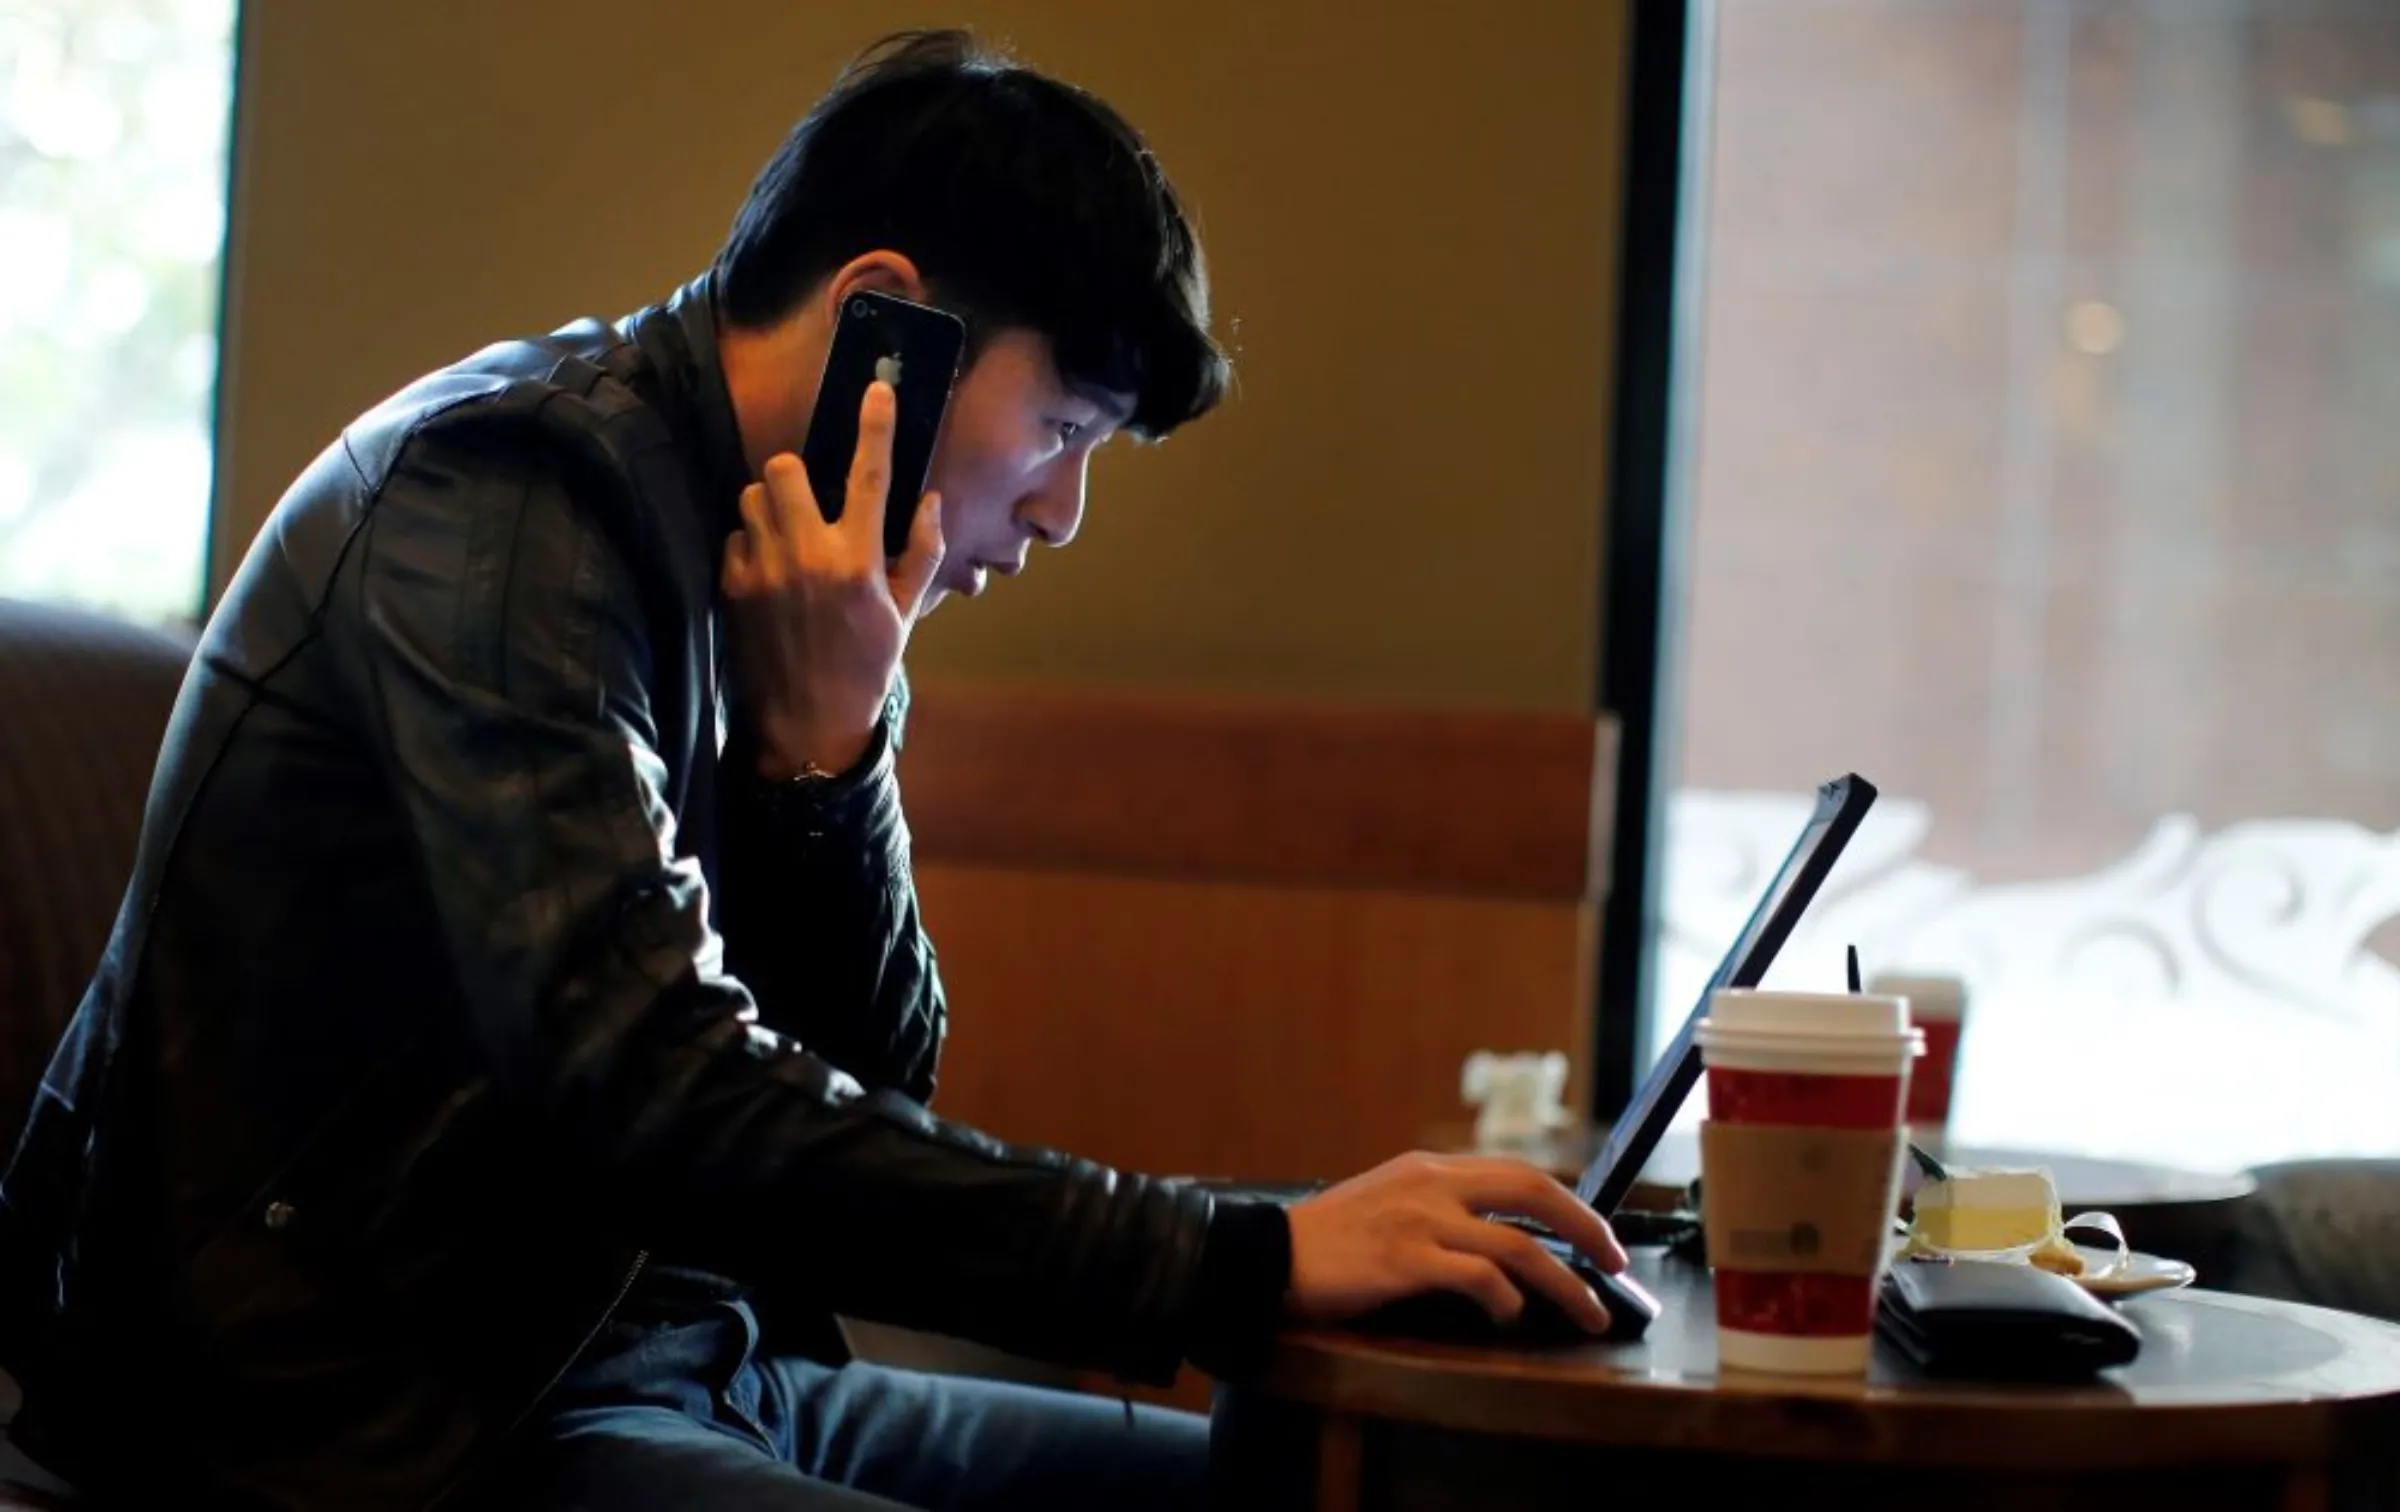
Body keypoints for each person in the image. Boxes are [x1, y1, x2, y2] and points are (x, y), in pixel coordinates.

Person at [0, 29, 1626, 1511]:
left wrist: (831, 754)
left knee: (1299, 1494)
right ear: (881, 327)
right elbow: (649, 1084)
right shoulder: (500, 511)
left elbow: (869, 1084)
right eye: (1061, 430)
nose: (1061, 514)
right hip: (383, 1419)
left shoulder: (779, 582)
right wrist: (1238, 1266)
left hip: (673, 1366)